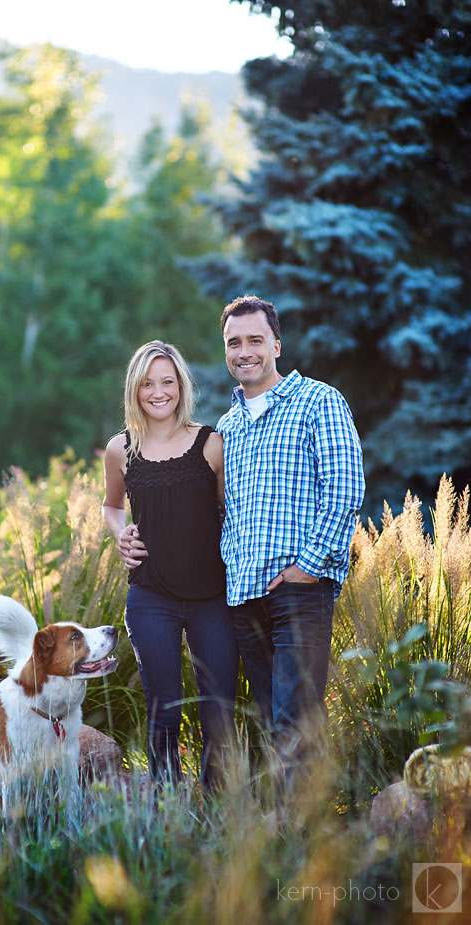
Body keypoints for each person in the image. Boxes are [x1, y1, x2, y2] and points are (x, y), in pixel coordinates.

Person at [217, 295, 364, 784]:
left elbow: (344, 489)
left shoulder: (319, 401)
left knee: (294, 721)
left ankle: (298, 839)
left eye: (255, 340)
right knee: (269, 721)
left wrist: (308, 566)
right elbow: (225, 512)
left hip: (300, 590)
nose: (244, 351)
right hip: (244, 597)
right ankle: (286, 836)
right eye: (233, 343)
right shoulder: (227, 426)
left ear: (276, 344)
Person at [102, 340, 238, 789]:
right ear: (134, 390)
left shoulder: (211, 443)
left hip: (212, 597)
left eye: (167, 382)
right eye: (147, 384)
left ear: (181, 385)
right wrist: (121, 534)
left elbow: (230, 512)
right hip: (151, 597)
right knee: (164, 706)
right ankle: (165, 805)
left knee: (217, 706)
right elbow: (111, 506)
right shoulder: (121, 449)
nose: (158, 392)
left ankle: (216, 803)